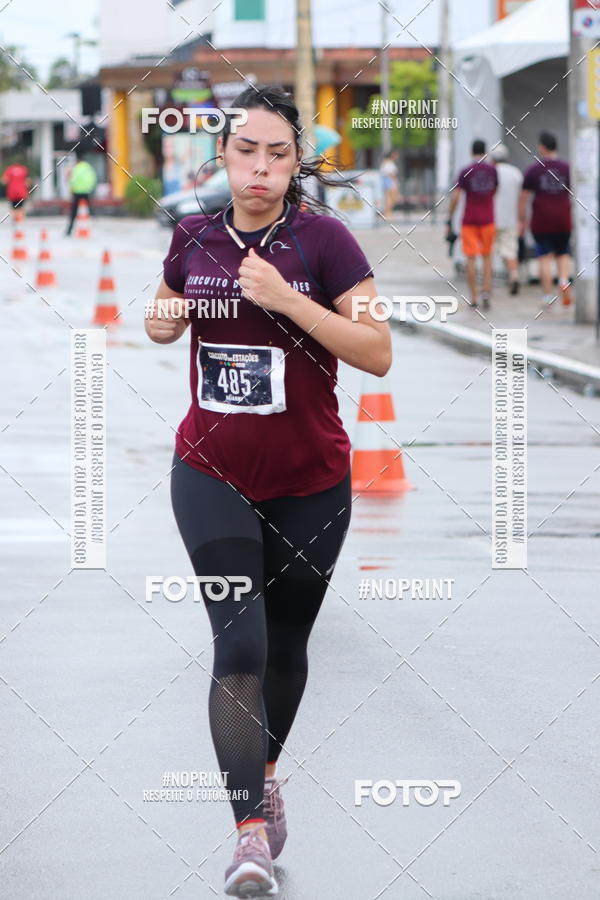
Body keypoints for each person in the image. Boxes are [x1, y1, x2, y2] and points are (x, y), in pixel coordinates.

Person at [145, 84, 391, 898]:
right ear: (222, 156)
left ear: (295, 162)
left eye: (277, 154)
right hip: (209, 471)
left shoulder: (327, 242)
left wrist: (289, 302)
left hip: (311, 483)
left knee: (286, 648)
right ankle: (248, 834)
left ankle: (267, 767)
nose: (259, 166)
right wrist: (164, 317)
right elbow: (166, 305)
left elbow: (377, 350)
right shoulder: (193, 235)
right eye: (245, 151)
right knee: (239, 648)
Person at [519, 131, 573, 307]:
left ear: (542, 147)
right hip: (563, 218)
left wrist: (522, 219)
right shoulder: (567, 168)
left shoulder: (534, 170)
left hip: (541, 220)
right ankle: (564, 280)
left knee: (544, 257)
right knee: (563, 253)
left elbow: (524, 197)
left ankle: (548, 296)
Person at [448, 138, 498, 309]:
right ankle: (486, 290)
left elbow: (455, 196)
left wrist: (450, 216)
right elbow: (494, 191)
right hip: (488, 219)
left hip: (469, 221)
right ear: (485, 152)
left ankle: (474, 297)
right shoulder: (492, 170)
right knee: (487, 257)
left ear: (471, 152)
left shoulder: (466, 171)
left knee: (470, 258)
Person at [491, 143, 523, 295]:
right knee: (510, 250)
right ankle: (514, 275)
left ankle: (488, 281)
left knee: (488, 251)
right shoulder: (516, 173)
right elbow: (521, 198)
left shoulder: (490, 172)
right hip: (511, 218)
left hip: (490, 219)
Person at [65, 156, 97, 235]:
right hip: (86, 191)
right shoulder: (88, 168)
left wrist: (71, 188)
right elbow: (93, 178)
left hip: (77, 192)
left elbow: (73, 179)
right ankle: (93, 226)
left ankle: (69, 230)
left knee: (74, 212)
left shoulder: (76, 168)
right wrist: (90, 188)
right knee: (88, 210)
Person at [380, 149, 399, 219]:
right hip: (390, 180)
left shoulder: (387, 162)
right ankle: (387, 212)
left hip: (387, 180)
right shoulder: (388, 162)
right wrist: (395, 182)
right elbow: (391, 173)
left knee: (389, 197)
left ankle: (388, 212)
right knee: (391, 197)